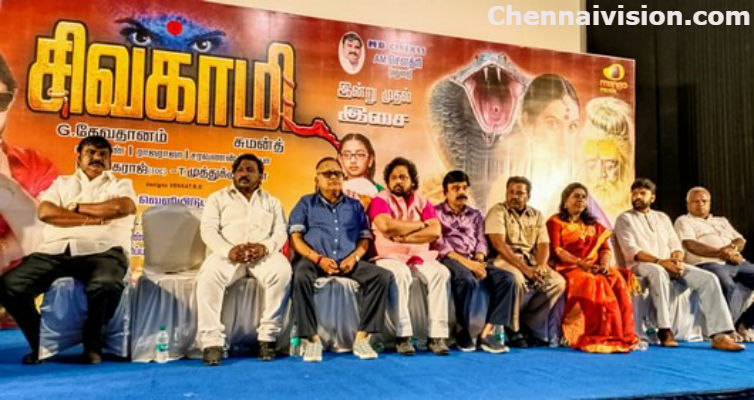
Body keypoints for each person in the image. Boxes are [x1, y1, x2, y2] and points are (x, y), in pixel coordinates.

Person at [0, 136, 136, 364]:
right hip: (55, 252)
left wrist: (75, 207)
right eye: (91, 152)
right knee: (9, 285)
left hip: (103, 251)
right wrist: (93, 219)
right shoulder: (61, 184)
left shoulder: (120, 185)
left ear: (109, 160)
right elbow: (46, 212)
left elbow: (123, 207)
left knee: (106, 284)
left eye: (103, 154)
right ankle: (39, 343)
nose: (97, 158)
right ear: (79, 157)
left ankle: (93, 344)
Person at [613, 178, 743, 351]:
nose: (637, 196)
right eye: (634, 193)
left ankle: (720, 335)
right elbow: (632, 251)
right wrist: (661, 262)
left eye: (643, 193)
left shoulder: (662, 217)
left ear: (652, 197)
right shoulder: (624, 218)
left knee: (709, 279)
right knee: (658, 271)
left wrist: (677, 260)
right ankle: (665, 330)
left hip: (668, 263)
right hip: (640, 265)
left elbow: (675, 244)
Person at [288, 157, 392, 362]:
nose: (333, 177)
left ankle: (362, 338)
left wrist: (354, 258)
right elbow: (295, 238)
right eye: (327, 174)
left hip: (347, 261)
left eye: (337, 174)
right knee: (300, 276)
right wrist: (317, 258)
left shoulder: (355, 206)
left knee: (381, 276)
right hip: (314, 259)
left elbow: (364, 239)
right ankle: (312, 339)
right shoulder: (306, 203)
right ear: (317, 179)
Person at [197, 153, 292, 365]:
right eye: (239, 170)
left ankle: (267, 338)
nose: (244, 174)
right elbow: (208, 230)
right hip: (229, 255)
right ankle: (212, 342)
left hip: (262, 256)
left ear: (261, 176)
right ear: (233, 174)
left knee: (283, 271)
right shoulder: (217, 198)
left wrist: (264, 248)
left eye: (250, 170)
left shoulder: (272, 202)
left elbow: (280, 232)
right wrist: (228, 250)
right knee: (208, 275)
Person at [368, 157, 451, 355]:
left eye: (403, 177)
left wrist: (404, 237)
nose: (398, 181)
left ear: (412, 181)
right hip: (389, 256)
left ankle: (437, 336)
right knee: (400, 274)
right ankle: (403, 336)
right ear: (387, 181)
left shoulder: (423, 201)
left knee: (441, 273)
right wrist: (420, 225)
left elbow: (435, 231)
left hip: (419, 255)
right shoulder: (380, 200)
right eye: (394, 177)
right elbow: (386, 226)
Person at [0, 54, 58, 328]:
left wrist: (5, 185)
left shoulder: (36, 166)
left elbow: (46, 234)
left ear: (11, 101)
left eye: (0, 101)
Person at [546, 183, 638, 353]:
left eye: (583, 197)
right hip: (568, 267)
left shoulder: (594, 225)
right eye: (576, 196)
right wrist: (582, 264)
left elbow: (605, 249)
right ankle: (591, 333)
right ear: (565, 201)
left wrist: (604, 265)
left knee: (616, 278)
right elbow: (557, 250)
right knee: (593, 282)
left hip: (593, 266)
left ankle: (619, 333)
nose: (580, 200)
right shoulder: (555, 222)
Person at [434, 170, 517, 353]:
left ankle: (486, 334)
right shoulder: (436, 213)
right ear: (445, 192)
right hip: (450, 259)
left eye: (464, 188)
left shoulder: (475, 214)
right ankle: (462, 330)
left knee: (508, 279)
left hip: (474, 259)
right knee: (465, 279)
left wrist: (479, 258)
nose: (461, 192)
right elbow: (440, 245)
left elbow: (481, 240)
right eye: (455, 188)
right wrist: (469, 264)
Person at [485, 176, 566, 347]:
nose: (514, 196)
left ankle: (530, 326)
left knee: (557, 282)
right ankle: (513, 329)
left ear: (528, 196)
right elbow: (499, 244)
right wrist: (526, 270)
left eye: (520, 193)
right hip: (504, 259)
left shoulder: (536, 215)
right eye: (511, 192)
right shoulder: (497, 211)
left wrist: (541, 265)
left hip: (530, 260)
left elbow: (543, 244)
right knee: (516, 279)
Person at [674, 186, 754, 341]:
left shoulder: (721, 221)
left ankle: (746, 323)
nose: (700, 204)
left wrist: (732, 249)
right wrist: (720, 253)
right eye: (696, 201)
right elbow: (690, 244)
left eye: (704, 201)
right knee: (727, 285)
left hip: (735, 262)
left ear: (709, 203)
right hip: (707, 263)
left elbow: (740, 240)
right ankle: (727, 331)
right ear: (688, 204)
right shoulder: (684, 221)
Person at [338, 133, 383, 209]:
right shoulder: (335, 188)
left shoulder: (380, 192)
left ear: (370, 159)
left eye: (360, 155)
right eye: (346, 155)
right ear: (340, 159)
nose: (353, 160)